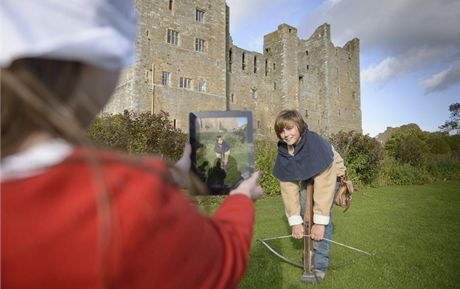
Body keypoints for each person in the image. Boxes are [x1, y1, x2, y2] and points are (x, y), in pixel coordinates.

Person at [0, 1, 263, 288]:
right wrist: (241, 197)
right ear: (93, 62)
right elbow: (220, 261)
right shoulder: (125, 202)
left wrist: (172, 174)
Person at [272, 109, 346, 282]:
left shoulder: (314, 144)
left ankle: (319, 266)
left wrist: (319, 221)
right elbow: (288, 186)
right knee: (306, 215)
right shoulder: (285, 149)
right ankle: (309, 256)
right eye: (281, 131)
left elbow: (324, 186)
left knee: (320, 219)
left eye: (289, 129)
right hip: (308, 173)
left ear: (299, 126)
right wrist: (295, 221)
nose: (286, 135)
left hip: (329, 173)